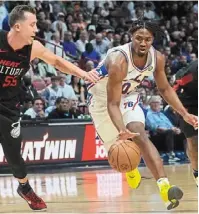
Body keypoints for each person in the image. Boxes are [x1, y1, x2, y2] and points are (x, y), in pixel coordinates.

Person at [87, 19, 198, 210]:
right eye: (139, 38)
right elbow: (112, 103)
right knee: (118, 150)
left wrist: (185, 114)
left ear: (153, 39)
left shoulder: (158, 58)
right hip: (101, 100)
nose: (143, 42)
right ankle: (130, 169)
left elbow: (165, 89)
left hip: (129, 95)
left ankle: (165, 188)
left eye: (147, 39)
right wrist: (121, 130)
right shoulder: (118, 60)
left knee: (140, 134)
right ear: (131, 37)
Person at [0, 5, 99, 211]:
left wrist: (82, 74)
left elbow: (56, 61)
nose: (36, 29)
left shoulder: (33, 47)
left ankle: (24, 187)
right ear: (17, 27)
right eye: (32, 24)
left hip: (8, 105)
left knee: (14, 155)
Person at [174, 60, 198, 186]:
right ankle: (197, 173)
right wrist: (179, 110)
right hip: (188, 104)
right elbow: (175, 85)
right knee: (194, 141)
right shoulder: (193, 71)